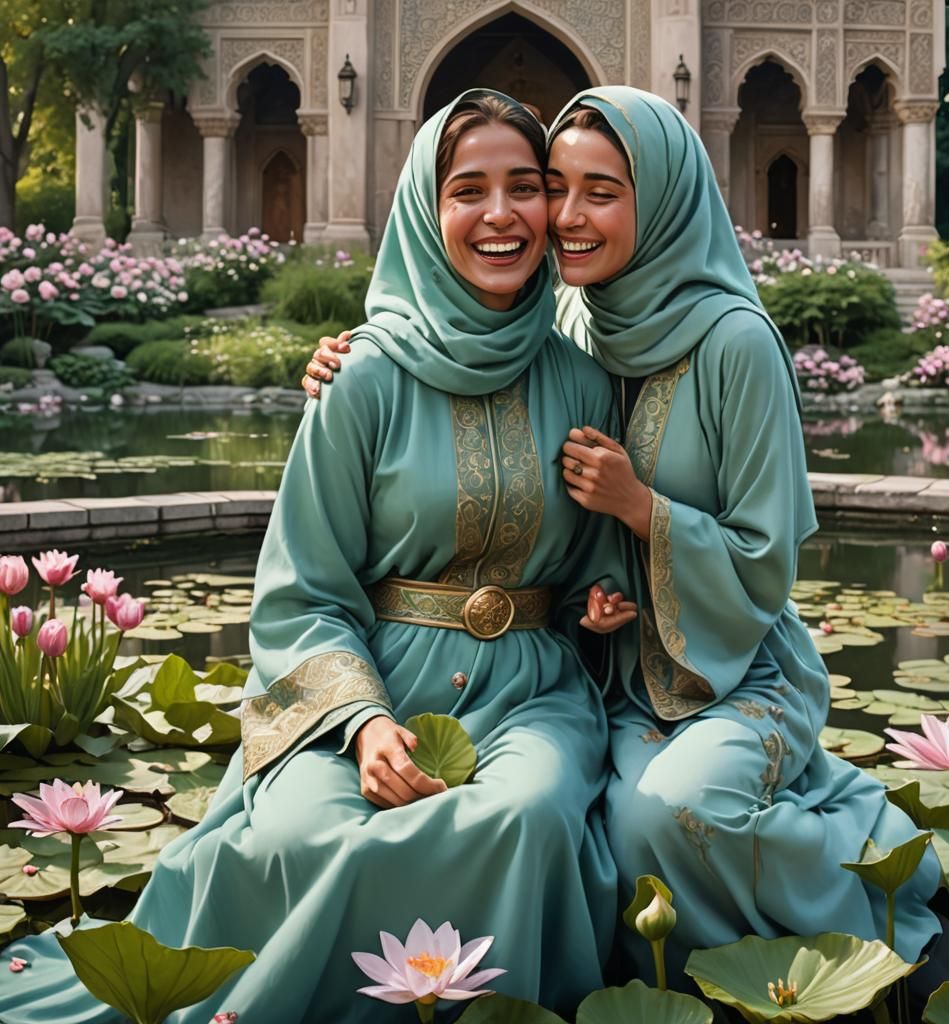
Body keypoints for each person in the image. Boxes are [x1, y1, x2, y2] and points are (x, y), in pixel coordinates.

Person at [0, 90, 634, 1024]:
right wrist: (365, 725)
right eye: (469, 189)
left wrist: (602, 600)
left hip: (530, 696)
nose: (501, 215)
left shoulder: (582, 378)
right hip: (366, 679)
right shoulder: (362, 377)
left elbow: (591, 564)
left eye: (525, 188)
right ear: (427, 209)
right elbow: (301, 593)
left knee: (524, 818)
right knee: (306, 832)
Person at [304, 86, 943, 987]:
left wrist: (645, 510)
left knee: (671, 810)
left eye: (601, 192)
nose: (565, 217)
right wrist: (364, 350)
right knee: (620, 818)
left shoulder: (736, 344)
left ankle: (864, 901)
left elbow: (768, 563)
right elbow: (553, 518)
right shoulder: (573, 325)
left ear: (664, 197)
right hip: (622, 676)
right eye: (555, 188)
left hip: (741, 668)